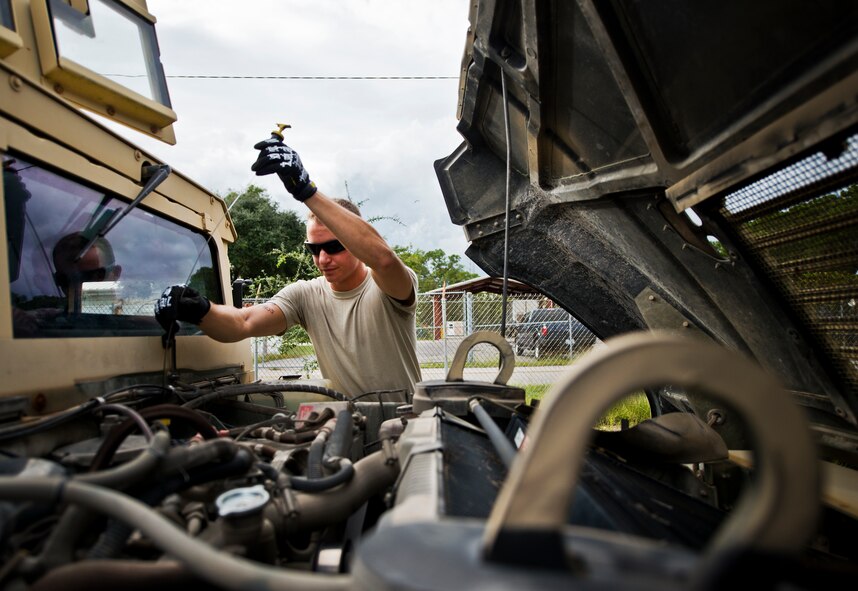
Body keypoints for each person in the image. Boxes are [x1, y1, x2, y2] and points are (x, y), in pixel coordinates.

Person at [155, 137, 422, 398]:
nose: (323, 259)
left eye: (334, 246)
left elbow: (384, 259)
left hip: (406, 426)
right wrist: (198, 308)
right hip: (351, 428)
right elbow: (242, 323)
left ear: (353, 240)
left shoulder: (387, 286)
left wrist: (306, 190)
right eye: (314, 249)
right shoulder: (306, 295)